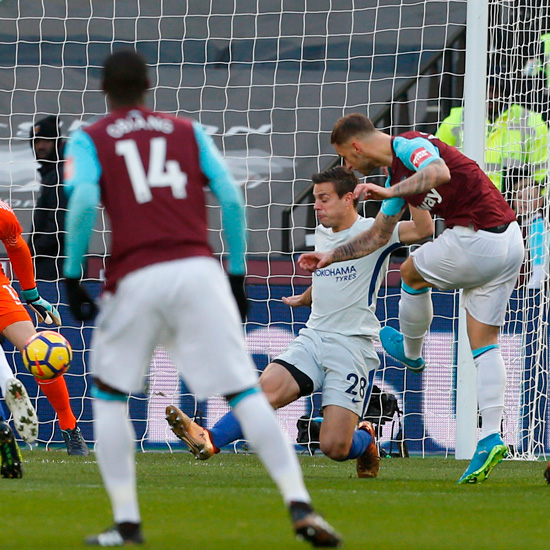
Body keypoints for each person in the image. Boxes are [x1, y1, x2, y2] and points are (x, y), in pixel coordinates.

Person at [63, 50, 341, 548]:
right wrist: (235, 275)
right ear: (149, 86)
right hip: (198, 272)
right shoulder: (187, 131)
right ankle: (300, 504)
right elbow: (231, 198)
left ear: (103, 89)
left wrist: (70, 275)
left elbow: (83, 200)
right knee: (243, 391)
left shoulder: (91, 138)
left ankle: (127, 521)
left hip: (136, 275)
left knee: (107, 394)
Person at [298, 113, 525, 485]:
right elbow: (376, 236)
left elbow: (438, 173)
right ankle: (491, 437)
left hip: (479, 237)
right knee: (484, 342)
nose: (347, 167)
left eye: (346, 158)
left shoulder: (410, 146)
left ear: (356, 146)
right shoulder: (396, 178)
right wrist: (331, 256)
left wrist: (391, 192)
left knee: (410, 272)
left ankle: (410, 351)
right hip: (507, 243)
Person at [165, 166, 433, 479]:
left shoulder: (377, 232)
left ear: (349, 199)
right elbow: (335, 274)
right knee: (266, 390)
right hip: (314, 336)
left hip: (351, 346)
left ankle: (367, 439)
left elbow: (423, 228)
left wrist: (410, 186)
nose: (316, 205)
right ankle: (209, 439)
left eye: (323, 198)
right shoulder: (323, 232)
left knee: (334, 446)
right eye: (316, 199)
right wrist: (308, 295)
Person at [0, 199, 89, 458]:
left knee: (38, 351)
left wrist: (32, 296)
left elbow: (16, 247)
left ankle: (70, 427)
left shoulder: (3, 215)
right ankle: (5, 404)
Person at [435, 74, 549, 203]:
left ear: (506, 93)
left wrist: (535, 194)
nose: (490, 97)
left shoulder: (531, 121)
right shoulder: (454, 120)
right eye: (485, 90)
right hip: (465, 201)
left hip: (511, 205)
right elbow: (436, 158)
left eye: (495, 91)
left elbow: (542, 168)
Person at [29, 115, 68, 281]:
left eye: (46, 141)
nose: (40, 146)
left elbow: (58, 227)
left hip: (57, 266)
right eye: (36, 142)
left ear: (57, 143)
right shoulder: (51, 174)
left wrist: (31, 251)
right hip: (51, 263)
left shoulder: (61, 174)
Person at [510, 168, 549, 290]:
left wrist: (530, 291)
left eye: (530, 197)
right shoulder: (518, 226)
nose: (524, 201)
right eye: (520, 196)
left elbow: (539, 270)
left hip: (527, 292)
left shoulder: (538, 226)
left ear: (540, 201)